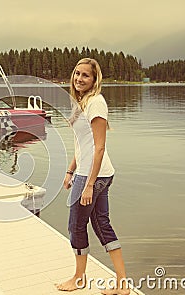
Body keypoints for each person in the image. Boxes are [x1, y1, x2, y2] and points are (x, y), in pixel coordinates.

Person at [56, 58, 129, 294]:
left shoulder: (96, 103)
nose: (79, 78)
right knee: (102, 225)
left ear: (95, 79)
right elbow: (82, 145)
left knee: (76, 226)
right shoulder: (82, 102)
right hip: (93, 173)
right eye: (77, 73)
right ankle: (122, 284)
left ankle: (79, 278)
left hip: (93, 176)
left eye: (85, 75)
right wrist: (70, 170)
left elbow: (99, 147)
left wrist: (88, 184)